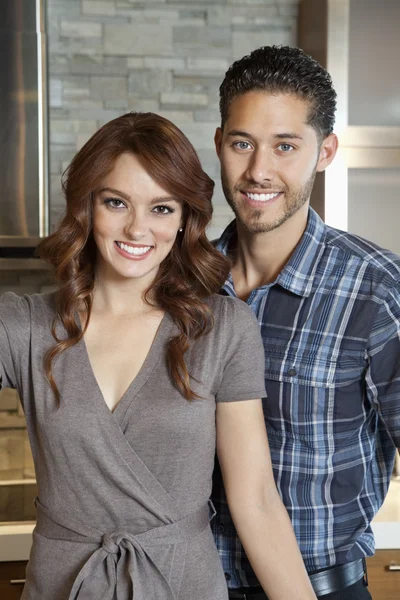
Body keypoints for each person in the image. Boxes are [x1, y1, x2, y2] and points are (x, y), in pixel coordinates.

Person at [0, 112, 316, 600]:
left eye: (162, 208)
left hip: (182, 582)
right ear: (88, 205)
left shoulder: (223, 328)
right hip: (64, 585)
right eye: (116, 202)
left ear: (186, 217)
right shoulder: (23, 326)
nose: (137, 228)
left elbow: (255, 500)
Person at [211, 45, 400, 600]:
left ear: (326, 151)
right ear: (220, 143)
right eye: (242, 143)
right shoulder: (182, 286)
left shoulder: (377, 290)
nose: (258, 171)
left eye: (285, 146)